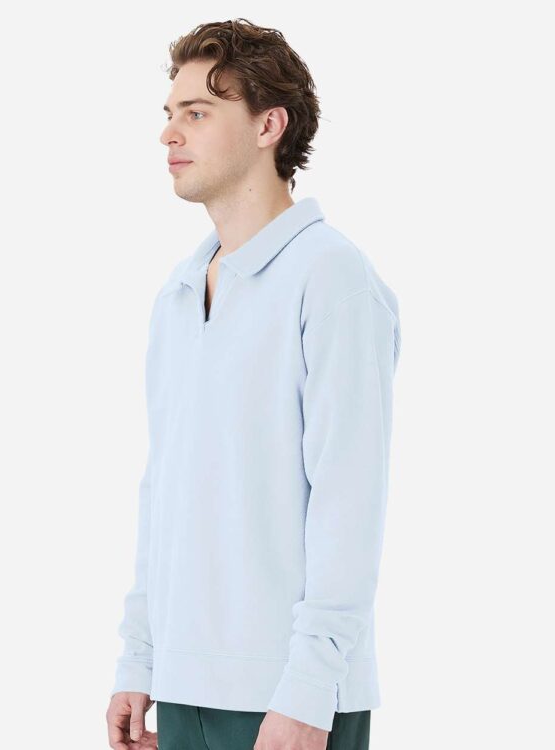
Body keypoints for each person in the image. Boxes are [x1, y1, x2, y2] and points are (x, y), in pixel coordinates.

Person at [106, 17, 401, 750]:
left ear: (270, 125)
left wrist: (310, 689)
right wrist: (140, 658)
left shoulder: (330, 277)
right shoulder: (178, 293)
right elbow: (163, 489)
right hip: (183, 688)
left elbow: (348, 499)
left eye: (198, 113)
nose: (169, 134)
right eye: (170, 113)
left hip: (288, 698)